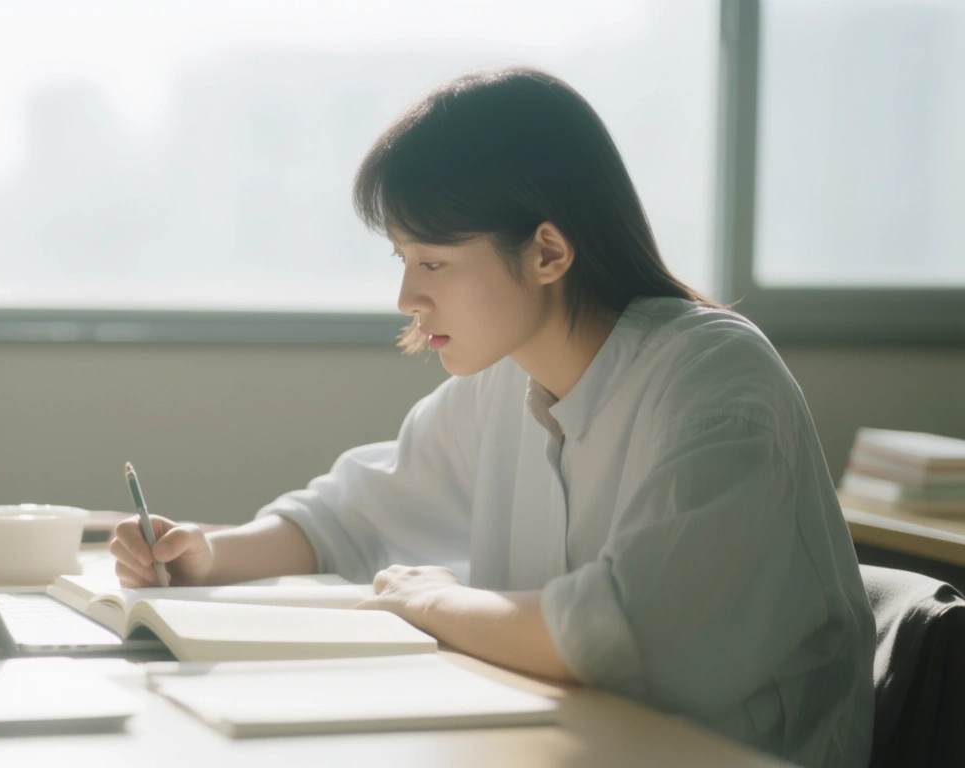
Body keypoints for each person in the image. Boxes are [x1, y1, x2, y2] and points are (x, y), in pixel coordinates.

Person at [109, 67, 873, 768]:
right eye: (401, 260)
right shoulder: (509, 378)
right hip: (567, 743)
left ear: (547, 252)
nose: (407, 298)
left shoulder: (714, 381)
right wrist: (209, 555)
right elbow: (349, 519)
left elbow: (616, 634)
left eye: (433, 262)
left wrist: (436, 601)